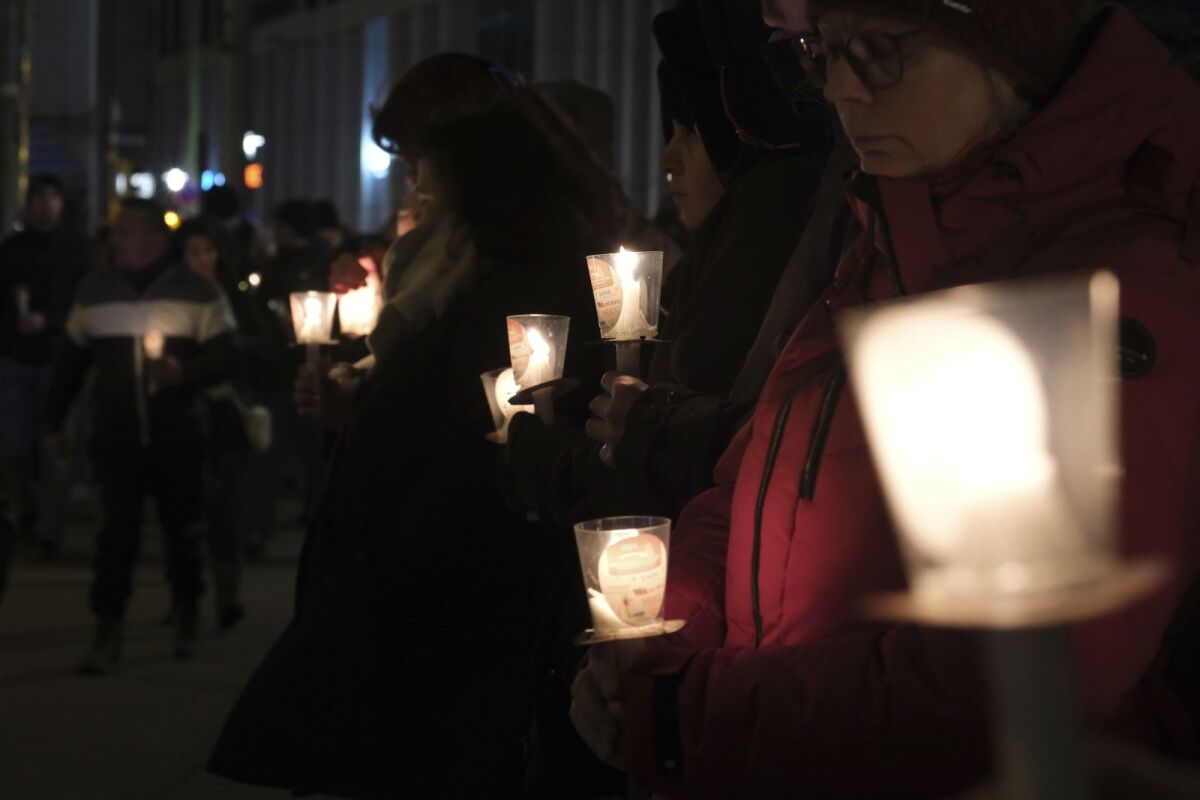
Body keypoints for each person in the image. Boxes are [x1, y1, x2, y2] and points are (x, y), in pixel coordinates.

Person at [570, 1, 1200, 796]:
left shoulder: (1112, 286)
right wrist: (656, 645)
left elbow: (1005, 684)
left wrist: (688, 713)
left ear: (1012, 49)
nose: (838, 89)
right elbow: (741, 492)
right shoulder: (883, 245)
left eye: (880, 52)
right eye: (822, 52)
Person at [209, 93, 621, 798]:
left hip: (450, 607)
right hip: (418, 586)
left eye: (430, 180)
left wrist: (394, 566)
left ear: (484, 188)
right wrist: (355, 409)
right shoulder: (456, 277)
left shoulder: (518, 287)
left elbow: (478, 439)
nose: (418, 197)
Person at [45, 199, 237, 673]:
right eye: (115, 233)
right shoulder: (93, 291)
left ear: (155, 238)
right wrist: (53, 422)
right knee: (115, 537)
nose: (116, 240)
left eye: (126, 232)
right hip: (116, 436)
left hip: (179, 433)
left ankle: (187, 614)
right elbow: (70, 364)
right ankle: (107, 629)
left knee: (182, 532)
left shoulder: (198, 292)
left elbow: (228, 356)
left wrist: (183, 372)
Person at [0, 174, 89, 566]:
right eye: (37, 197)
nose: (44, 205)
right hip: (15, 358)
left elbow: (81, 306)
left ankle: (50, 529)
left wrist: (50, 322)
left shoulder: (76, 251)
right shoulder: (11, 250)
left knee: (56, 448)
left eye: (52, 197)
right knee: (15, 446)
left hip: (59, 360)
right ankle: (27, 511)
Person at [178, 219, 252, 629]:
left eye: (208, 252)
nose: (202, 260)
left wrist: (229, 351)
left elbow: (263, 347)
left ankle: (227, 594)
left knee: (223, 508)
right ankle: (185, 593)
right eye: (192, 252)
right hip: (183, 416)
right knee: (185, 510)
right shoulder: (171, 298)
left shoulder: (234, 297)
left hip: (224, 415)